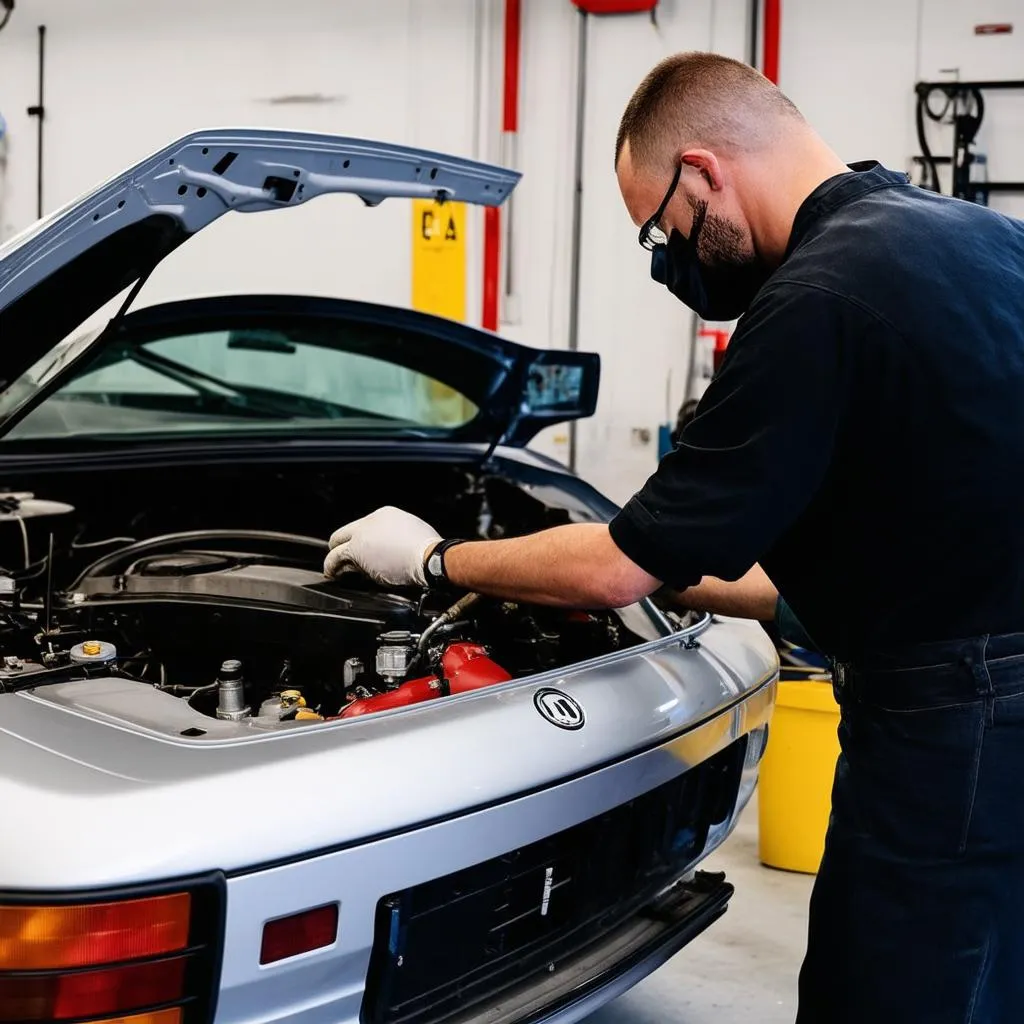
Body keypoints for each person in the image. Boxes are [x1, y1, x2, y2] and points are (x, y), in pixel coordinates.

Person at [323, 51, 1024, 1023]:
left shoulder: (817, 296)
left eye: (659, 232)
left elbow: (616, 568)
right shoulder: (981, 240)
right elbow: (889, 545)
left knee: (897, 993)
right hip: (984, 696)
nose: (667, 264)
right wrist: (679, 583)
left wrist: (433, 558)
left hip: (953, 728)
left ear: (702, 172)